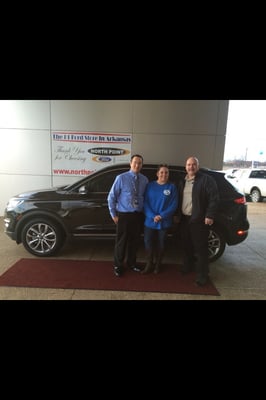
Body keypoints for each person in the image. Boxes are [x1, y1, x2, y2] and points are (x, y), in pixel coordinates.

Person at [178, 156, 219, 286]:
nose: (191, 167)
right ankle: (188, 267)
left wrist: (210, 215)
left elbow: (214, 198)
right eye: (189, 164)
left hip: (199, 220)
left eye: (193, 164)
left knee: (201, 249)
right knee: (186, 246)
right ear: (186, 167)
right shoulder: (183, 181)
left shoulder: (207, 180)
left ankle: (203, 276)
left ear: (198, 166)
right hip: (185, 219)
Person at [107, 154, 149, 277]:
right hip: (124, 215)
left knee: (134, 242)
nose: (137, 165)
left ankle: (132, 263)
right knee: (121, 242)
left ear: (142, 165)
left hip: (138, 215)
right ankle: (118, 265)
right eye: (135, 162)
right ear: (130, 163)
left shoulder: (145, 180)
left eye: (140, 163)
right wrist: (113, 214)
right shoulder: (121, 178)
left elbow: (145, 198)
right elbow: (111, 197)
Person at [141, 164, 178, 274]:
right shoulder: (150, 186)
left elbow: (174, 205)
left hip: (164, 221)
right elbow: (145, 202)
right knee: (148, 242)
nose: (164, 174)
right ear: (157, 173)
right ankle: (149, 263)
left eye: (166, 172)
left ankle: (158, 264)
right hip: (149, 221)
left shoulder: (172, 187)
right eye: (162, 172)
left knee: (161, 244)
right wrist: (153, 216)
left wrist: (161, 216)